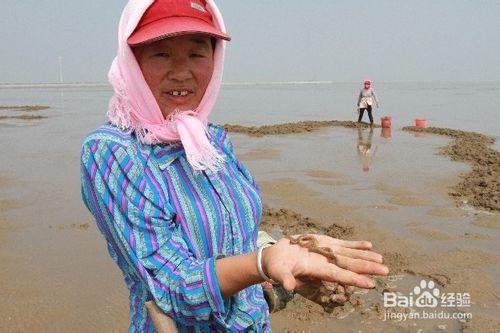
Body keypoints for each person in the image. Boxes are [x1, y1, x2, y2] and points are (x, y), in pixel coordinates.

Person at [80, 0, 389, 331]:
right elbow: (172, 286)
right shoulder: (113, 154)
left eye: (197, 53)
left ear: (215, 59)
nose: (181, 71)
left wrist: (290, 249)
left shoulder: (209, 139)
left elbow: (233, 235)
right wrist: (262, 264)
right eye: (161, 53)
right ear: (133, 62)